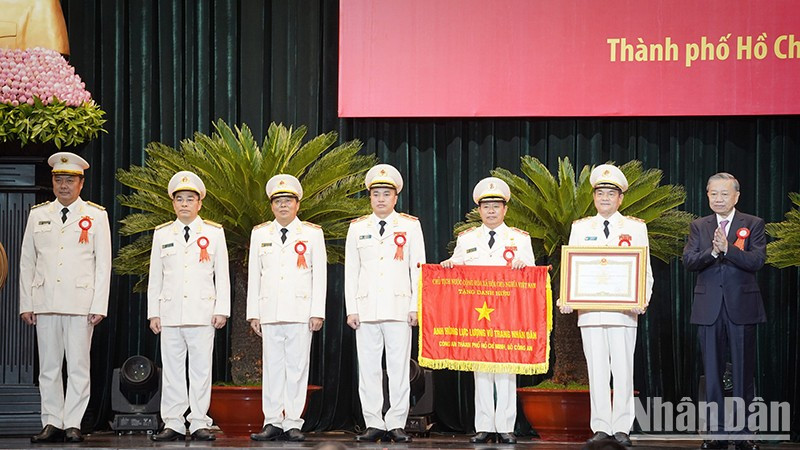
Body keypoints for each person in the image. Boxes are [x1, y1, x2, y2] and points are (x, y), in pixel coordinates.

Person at [18, 152, 112, 443]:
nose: (63, 186)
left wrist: (99, 305)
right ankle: (51, 421)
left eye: (69, 180)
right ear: (53, 181)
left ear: (81, 183)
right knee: (48, 367)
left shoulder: (96, 216)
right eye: (59, 180)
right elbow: (26, 262)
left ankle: (73, 422)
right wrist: (27, 303)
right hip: (45, 300)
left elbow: (103, 263)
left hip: (80, 302)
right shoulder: (38, 215)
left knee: (79, 366)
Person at [561, 164, 653, 447]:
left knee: (623, 369)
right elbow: (571, 268)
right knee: (597, 369)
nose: (604, 198)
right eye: (600, 192)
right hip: (589, 312)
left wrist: (643, 299)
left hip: (624, 312)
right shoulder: (581, 228)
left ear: (620, 198)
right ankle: (600, 426)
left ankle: (622, 427)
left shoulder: (636, 228)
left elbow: (645, 269)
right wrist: (566, 296)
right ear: (593, 196)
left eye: (610, 193)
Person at [441, 177, 535, 444]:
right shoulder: (467, 239)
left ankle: (505, 426)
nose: (491, 211)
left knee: (506, 368)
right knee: (481, 369)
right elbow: (456, 265)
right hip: (477, 314)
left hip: (507, 313)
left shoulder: (519, 238)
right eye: (486, 206)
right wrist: (448, 265)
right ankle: (483, 425)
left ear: (505, 209)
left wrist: (522, 265)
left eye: (496, 206)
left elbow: (531, 274)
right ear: (479, 210)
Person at [683, 173, 765, 450]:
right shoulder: (699, 226)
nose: (718, 199)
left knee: (743, 372)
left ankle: (743, 434)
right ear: (707, 195)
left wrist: (728, 249)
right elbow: (690, 261)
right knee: (712, 372)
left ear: (736, 196)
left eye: (724, 194)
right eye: (713, 194)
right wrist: (714, 253)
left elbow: (756, 261)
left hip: (742, 307)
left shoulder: (752, 224)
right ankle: (716, 433)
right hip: (709, 309)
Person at [345, 163, 426, 443]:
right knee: (367, 368)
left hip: (399, 308)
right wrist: (351, 309)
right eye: (376, 193)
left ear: (395, 197)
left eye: (386, 194)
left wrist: (417, 305)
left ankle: (396, 422)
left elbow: (418, 269)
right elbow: (351, 271)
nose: (381, 198)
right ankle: (373, 422)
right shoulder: (357, 228)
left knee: (398, 368)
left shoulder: (410, 226)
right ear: (369, 197)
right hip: (366, 309)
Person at [147, 171, 230, 442]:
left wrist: (222, 309)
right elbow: (155, 276)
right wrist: (153, 312)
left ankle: (198, 421)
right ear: (173, 203)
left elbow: (222, 275)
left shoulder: (214, 233)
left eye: (190, 199)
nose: (184, 204)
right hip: (170, 312)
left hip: (202, 312)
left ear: (199, 204)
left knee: (201, 369)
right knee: (171, 370)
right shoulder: (162, 234)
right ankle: (172, 421)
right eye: (179, 199)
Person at [248, 174, 327, 442]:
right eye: (278, 201)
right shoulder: (260, 234)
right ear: (271, 206)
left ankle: (293, 421)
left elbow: (320, 276)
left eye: (288, 201)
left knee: (296, 368)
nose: (283, 206)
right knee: (272, 368)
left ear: (297, 205)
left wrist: (318, 311)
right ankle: (272, 421)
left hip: (300, 311)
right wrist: (253, 313)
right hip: (270, 311)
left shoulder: (312, 234)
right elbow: (254, 275)